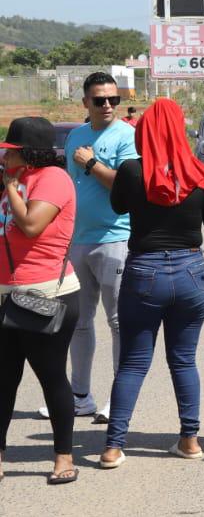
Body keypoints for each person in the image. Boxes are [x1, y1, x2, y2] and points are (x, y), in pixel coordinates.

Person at [99, 99, 204, 468]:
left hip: (145, 272)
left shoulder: (131, 171)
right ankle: (190, 440)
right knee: (184, 360)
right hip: (192, 271)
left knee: (133, 362)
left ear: (144, 131)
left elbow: (118, 207)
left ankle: (113, 447)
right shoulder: (202, 174)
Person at [53, 71, 140, 424]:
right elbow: (66, 188)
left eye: (113, 100)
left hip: (116, 237)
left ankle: (118, 400)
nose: (108, 105)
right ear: (85, 102)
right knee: (78, 322)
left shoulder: (126, 135)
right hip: (78, 239)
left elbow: (125, 184)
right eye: (100, 99)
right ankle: (80, 395)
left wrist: (91, 163)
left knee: (119, 321)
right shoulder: (75, 135)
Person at [0, 117, 81, 484]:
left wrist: (11, 188)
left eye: (10, 151)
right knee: (4, 380)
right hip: (5, 294)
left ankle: (63, 457)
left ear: (27, 154)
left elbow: (31, 225)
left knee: (51, 377)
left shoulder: (53, 180)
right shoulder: (9, 181)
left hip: (46, 294)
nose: (5, 157)